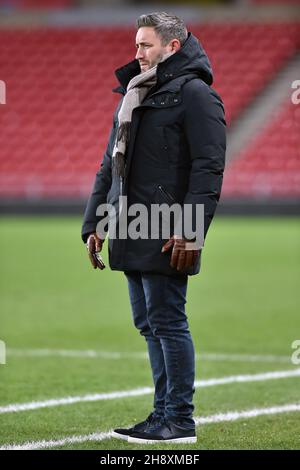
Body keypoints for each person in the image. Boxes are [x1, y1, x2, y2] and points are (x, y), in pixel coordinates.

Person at [82, 12, 226, 444]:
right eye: (136, 44)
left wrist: (191, 228)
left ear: (173, 47)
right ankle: (162, 414)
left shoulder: (197, 95)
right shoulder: (132, 94)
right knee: (149, 323)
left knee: (167, 321)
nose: (137, 53)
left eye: (145, 45)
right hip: (130, 224)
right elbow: (111, 165)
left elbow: (209, 167)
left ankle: (179, 420)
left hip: (167, 228)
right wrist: (96, 222)